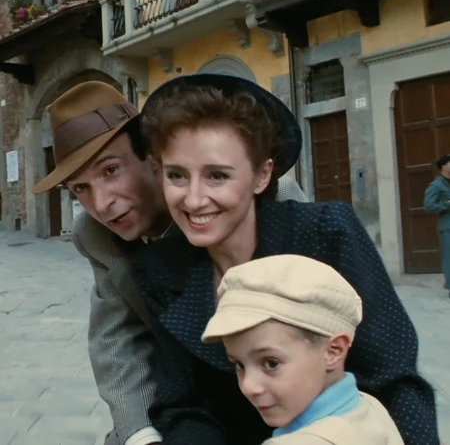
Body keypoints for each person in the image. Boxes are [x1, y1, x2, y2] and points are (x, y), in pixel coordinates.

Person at [131, 73, 440, 445]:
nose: (194, 200)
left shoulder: (326, 233)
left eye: (217, 176)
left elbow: (394, 378)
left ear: (262, 175)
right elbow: (183, 404)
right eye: (177, 176)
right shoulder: (160, 269)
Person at [31, 80, 308, 445]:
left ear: (153, 157)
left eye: (111, 170)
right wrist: (141, 435)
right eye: (80, 188)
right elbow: (116, 340)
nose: (101, 203)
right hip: (186, 399)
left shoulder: (271, 197)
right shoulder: (95, 235)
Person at [201, 254, 405, 445]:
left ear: (333, 351)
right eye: (239, 365)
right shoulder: (370, 407)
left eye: (271, 363)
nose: (249, 386)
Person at [424, 154, 450, 296]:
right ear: (444, 166)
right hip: (447, 227)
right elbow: (429, 206)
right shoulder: (436, 185)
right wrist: (446, 205)